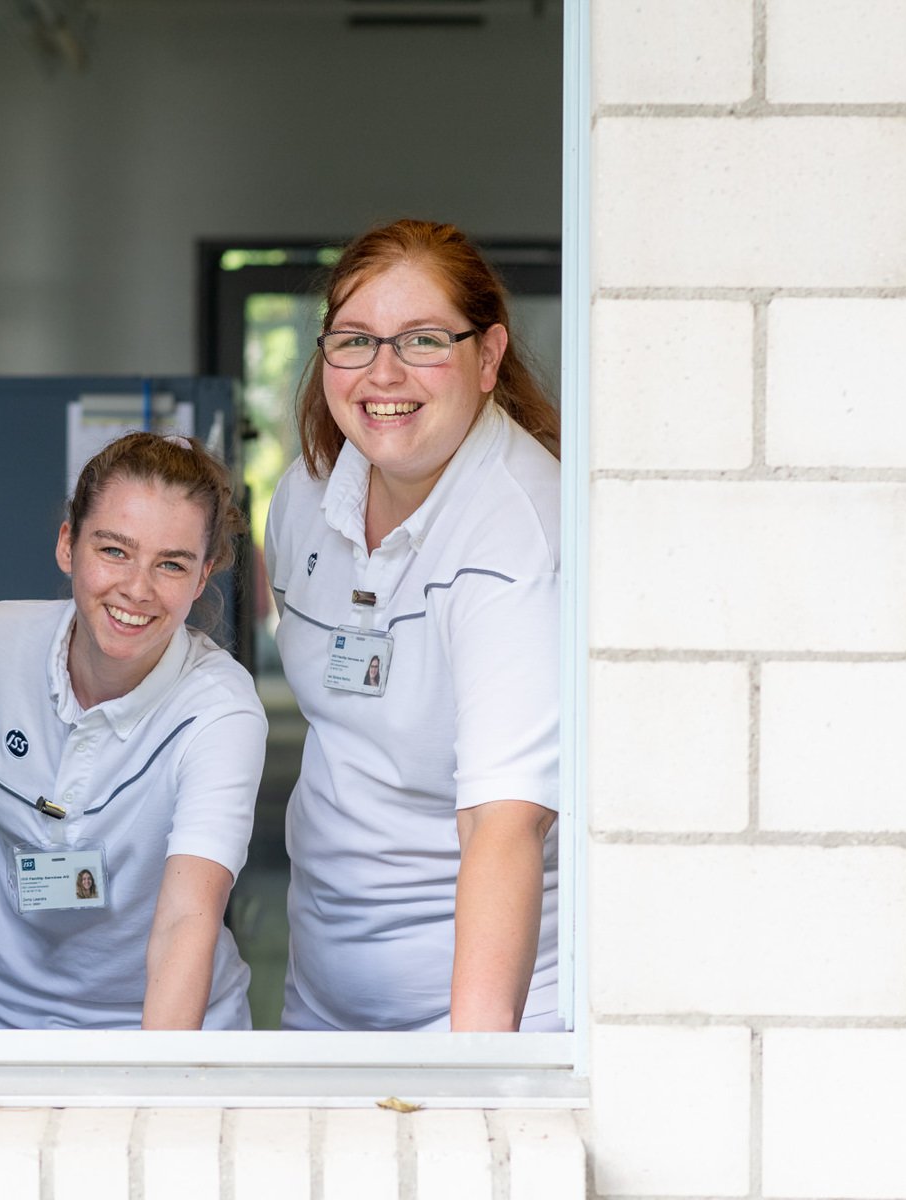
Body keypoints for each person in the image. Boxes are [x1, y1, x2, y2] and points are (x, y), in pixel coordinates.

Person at [267, 218, 563, 1032]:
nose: (383, 372)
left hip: (479, 1012)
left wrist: (473, 1074)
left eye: (424, 340)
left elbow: (504, 822)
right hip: (320, 998)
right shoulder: (306, 496)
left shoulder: (518, 535)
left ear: (488, 357)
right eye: (355, 340)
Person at [0, 432, 266, 1029]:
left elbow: (187, 919)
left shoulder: (221, 710)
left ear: (202, 578)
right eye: (114, 550)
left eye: (171, 564)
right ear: (68, 544)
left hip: (153, 1025)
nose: (137, 589)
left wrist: (155, 1076)